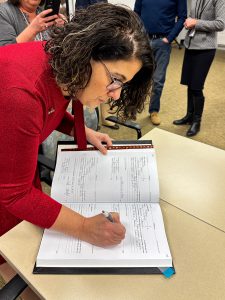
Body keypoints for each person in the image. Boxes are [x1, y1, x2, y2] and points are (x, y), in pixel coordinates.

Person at [0, 3, 153, 298]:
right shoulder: (21, 93)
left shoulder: (59, 66)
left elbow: (48, 109)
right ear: (86, 53)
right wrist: (84, 227)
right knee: (17, 258)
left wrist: (81, 130)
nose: (116, 94)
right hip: (7, 179)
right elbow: (13, 193)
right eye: (115, 80)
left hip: (15, 160)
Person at [173, 0, 225, 137]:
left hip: (206, 49)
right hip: (190, 45)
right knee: (190, 84)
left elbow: (220, 24)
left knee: (196, 87)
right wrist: (188, 22)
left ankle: (197, 121)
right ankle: (189, 116)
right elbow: (191, 16)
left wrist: (196, 23)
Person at [134, 0, 187, 125]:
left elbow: (182, 17)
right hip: (143, 41)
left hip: (162, 43)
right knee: (137, 76)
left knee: (158, 80)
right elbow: (136, 14)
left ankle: (154, 110)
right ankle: (133, 107)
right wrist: (137, 35)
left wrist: (169, 38)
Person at [0, 0, 66, 46]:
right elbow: (5, 52)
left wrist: (63, 30)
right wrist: (33, 30)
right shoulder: (3, 12)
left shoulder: (44, 13)